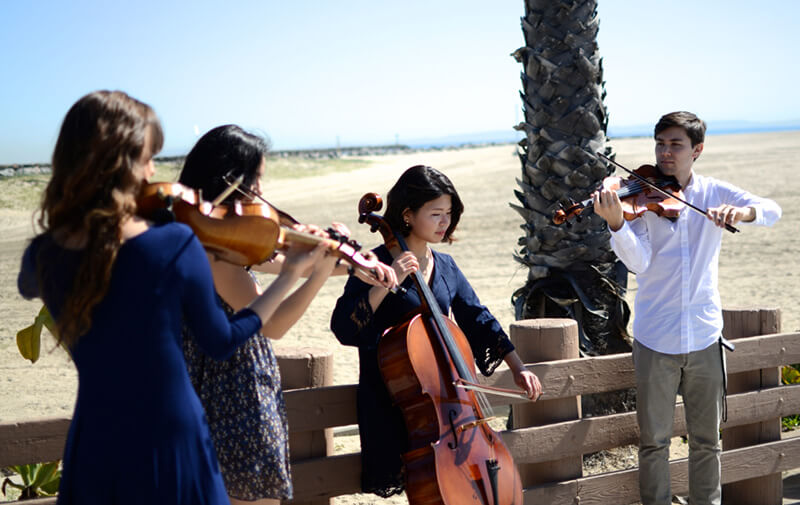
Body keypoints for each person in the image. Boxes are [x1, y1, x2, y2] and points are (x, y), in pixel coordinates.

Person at [17, 91, 337, 505]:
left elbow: (31, 282)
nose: (152, 171)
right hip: (169, 438)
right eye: (148, 157)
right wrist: (291, 273)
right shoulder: (173, 244)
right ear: (123, 163)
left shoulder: (43, 254)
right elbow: (222, 339)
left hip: (95, 438)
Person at [176, 124, 397, 504]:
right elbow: (274, 324)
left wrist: (353, 265)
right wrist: (320, 272)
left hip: (227, 393)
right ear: (229, 178)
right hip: (231, 399)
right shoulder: (213, 252)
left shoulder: (215, 237)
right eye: (255, 180)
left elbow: (277, 261)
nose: (260, 193)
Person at [592, 111, 782, 505]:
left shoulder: (713, 192)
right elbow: (639, 263)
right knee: (654, 442)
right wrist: (617, 226)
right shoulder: (639, 195)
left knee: (707, 440)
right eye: (660, 144)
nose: (665, 152)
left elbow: (771, 210)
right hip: (655, 337)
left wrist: (741, 212)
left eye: (675, 145)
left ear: (696, 150)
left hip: (704, 335)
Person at [329, 164, 543, 498]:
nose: (445, 222)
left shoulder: (445, 266)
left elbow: (478, 317)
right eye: (436, 214)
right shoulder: (373, 262)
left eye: (449, 213)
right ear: (408, 215)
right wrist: (389, 281)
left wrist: (518, 366)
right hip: (394, 403)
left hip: (446, 409)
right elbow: (343, 326)